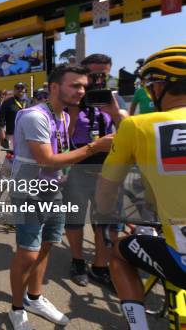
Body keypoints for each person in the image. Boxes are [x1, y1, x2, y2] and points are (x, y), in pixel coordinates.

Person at [7, 65, 113, 330]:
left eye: (84, 86)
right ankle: (17, 309)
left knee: (46, 245)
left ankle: (35, 298)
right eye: (75, 85)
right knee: (28, 254)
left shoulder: (64, 117)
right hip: (28, 191)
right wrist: (94, 148)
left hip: (53, 191)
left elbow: (61, 154)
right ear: (54, 87)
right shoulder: (35, 116)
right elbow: (47, 160)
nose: (81, 91)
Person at [95, 45, 186, 330]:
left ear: (161, 84)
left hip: (180, 256)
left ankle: (138, 327)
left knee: (119, 252)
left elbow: (106, 191)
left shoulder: (137, 126)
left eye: (149, 87)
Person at [63, 53, 128, 288]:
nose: (99, 79)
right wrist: (72, 110)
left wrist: (114, 114)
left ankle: (100, 267)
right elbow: (63, 139)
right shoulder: (71, 100)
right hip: (79, 168)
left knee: (104, 221)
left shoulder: (115, 99)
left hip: (109, 170)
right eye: (94, 74)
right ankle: (78, 261)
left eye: (104, 74)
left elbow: (129, 132)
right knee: (74, 219)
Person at [0, 82, 28, 149]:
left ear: (24, 90)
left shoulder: (27, 102)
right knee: (11, 157)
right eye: (18, 88)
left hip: (26, 134)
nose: (20, 90)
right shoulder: (7, 102)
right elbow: (1, 121)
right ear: (14, 90)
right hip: (11, 135)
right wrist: (3, 138)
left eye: (22, 88)